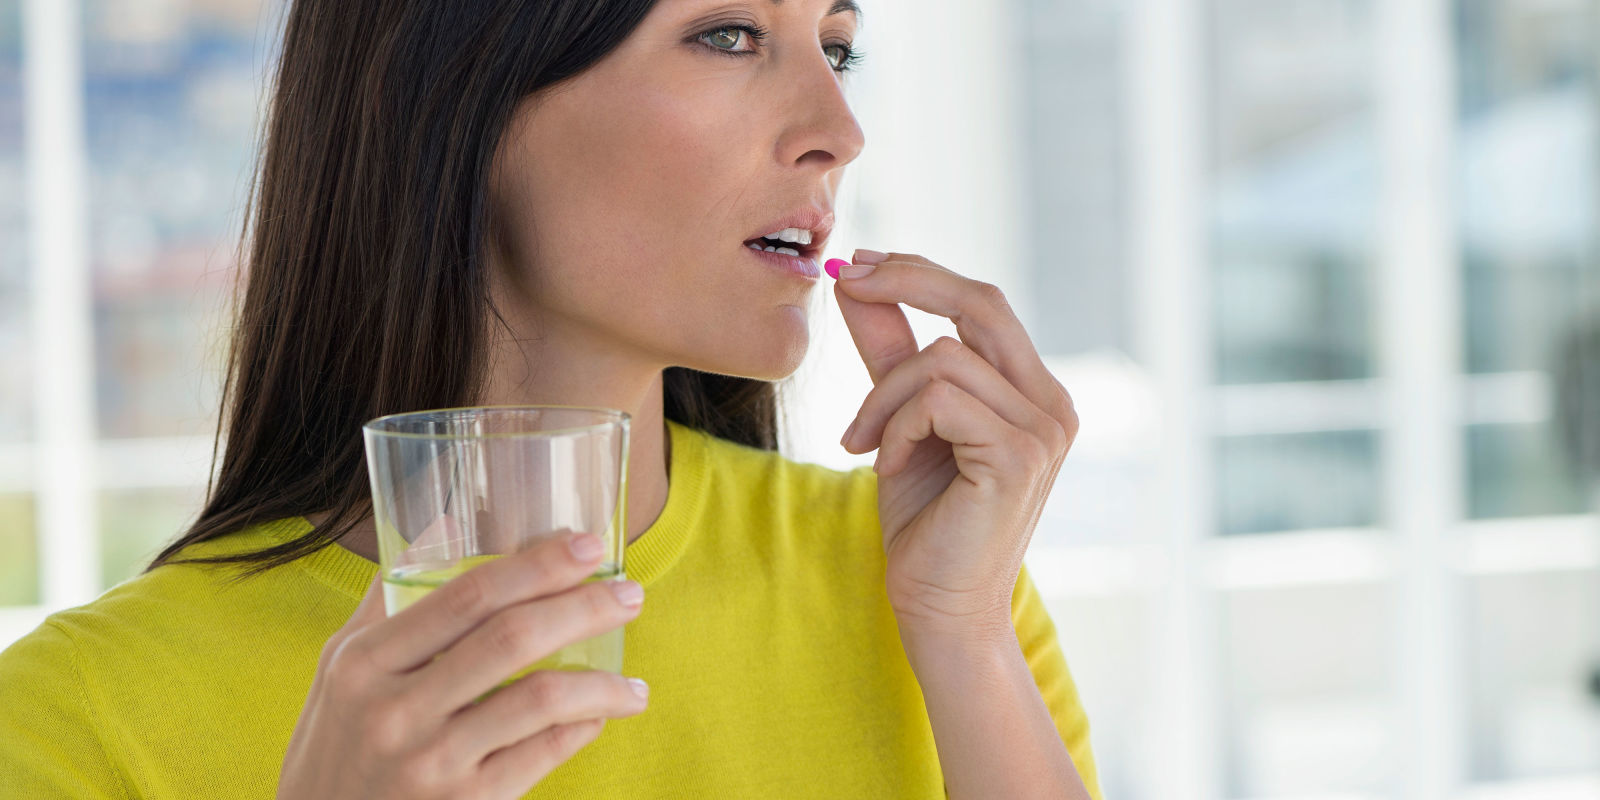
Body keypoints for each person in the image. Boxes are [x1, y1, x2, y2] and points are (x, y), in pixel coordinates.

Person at [0, 1, 1102, 797]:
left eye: (837, 46)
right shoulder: (78, 717)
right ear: (459, 91)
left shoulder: (942, 587)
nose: (840, 129)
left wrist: (961, 636)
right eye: (729, 34)